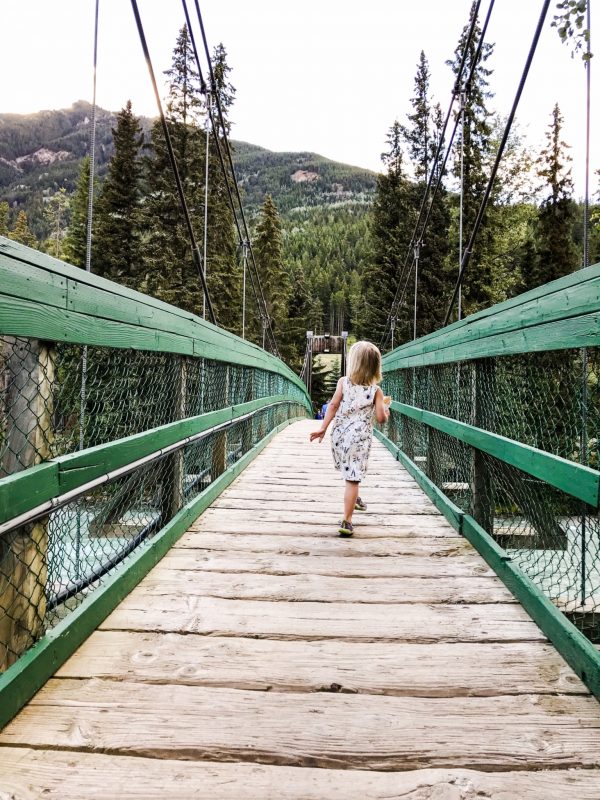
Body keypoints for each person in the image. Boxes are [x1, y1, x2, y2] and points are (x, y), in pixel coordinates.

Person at [309, 341, 390, 537]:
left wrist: (322, 429)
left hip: (339, 437)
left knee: (349, 473)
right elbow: (380, 419)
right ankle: (347, 520)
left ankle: (354, 498)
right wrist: (386, 409)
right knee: (352, 479)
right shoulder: (375, 391)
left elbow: (333, 406)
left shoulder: (343, 382)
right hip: (359, 440)